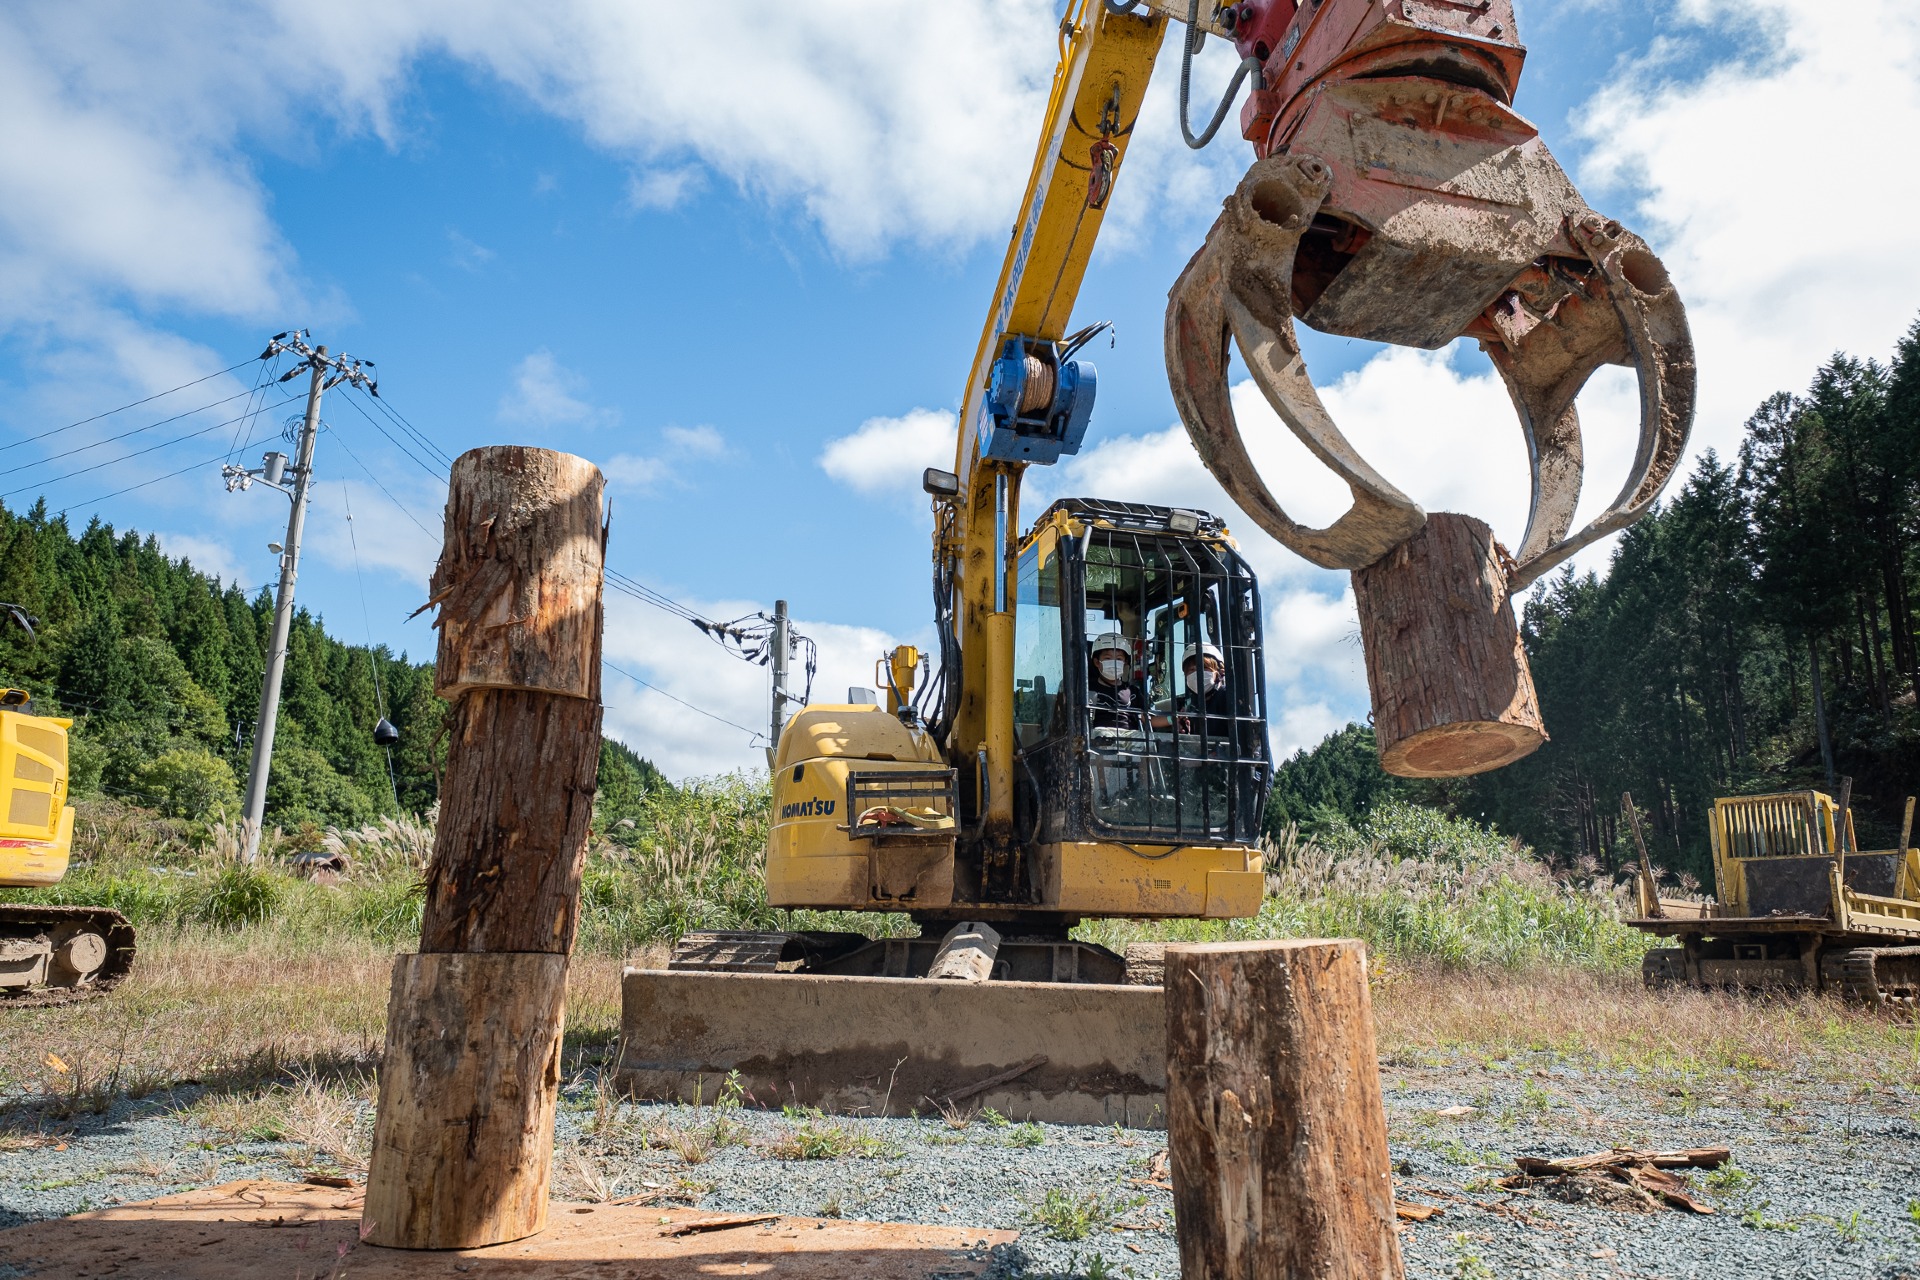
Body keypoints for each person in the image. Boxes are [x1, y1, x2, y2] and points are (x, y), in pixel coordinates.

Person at [1159, 642, 1236, 742]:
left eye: (1204, 668)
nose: (1197, 674)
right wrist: (1187, 735)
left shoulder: (1228, 697)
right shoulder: (1191, 705)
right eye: (1192, 670)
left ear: (1219, 672)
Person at [1087, 631, 1148, 730]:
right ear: (1097, 662)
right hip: (1099, 739)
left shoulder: (1133, 692)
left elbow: (1148, 719)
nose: (1114, 663)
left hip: (1131, 738)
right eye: (1108, 658)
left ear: (1125, 662)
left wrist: (1172, 719)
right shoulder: (1087, 688)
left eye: (1119, 659)